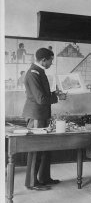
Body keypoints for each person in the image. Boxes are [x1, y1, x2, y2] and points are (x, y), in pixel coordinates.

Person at [22, 47, 66, 191]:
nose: (51, 63)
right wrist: (56, 97)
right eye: (50, 60)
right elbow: (40, 99)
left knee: (45, 147)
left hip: (41, 115)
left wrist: (55, 93)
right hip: (36, 115)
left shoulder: (39, 71)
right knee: (36, 149)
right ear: (43, 60)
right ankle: (32, 183)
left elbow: (42, 94)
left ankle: (44, 178)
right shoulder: (33, 73)